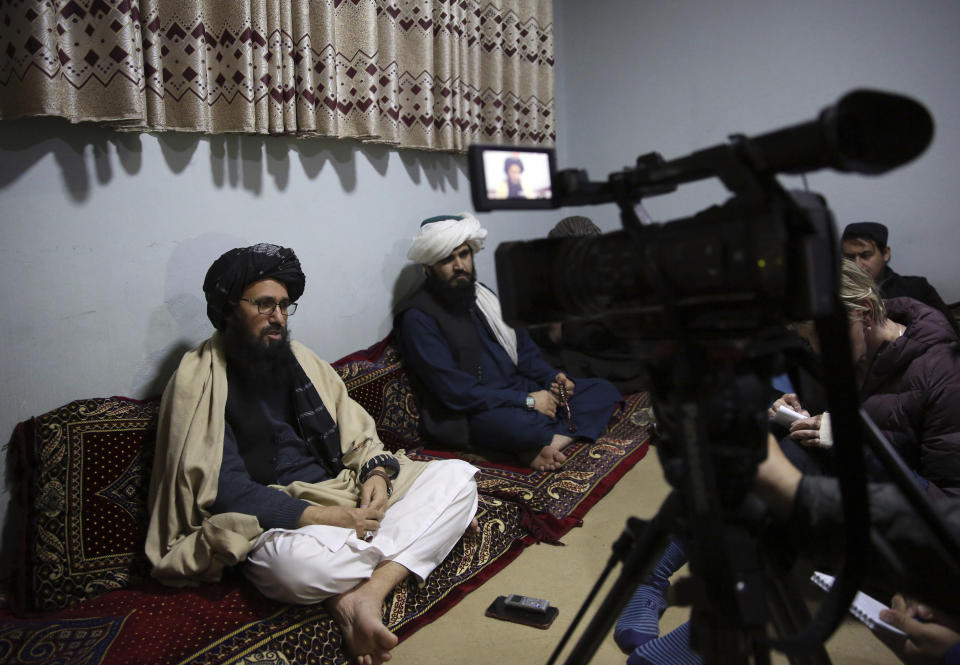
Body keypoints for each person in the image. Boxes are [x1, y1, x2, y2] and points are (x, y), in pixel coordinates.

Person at [146, 243, 479, 665]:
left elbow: (358, 436)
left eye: (285, 306)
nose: (279, 318)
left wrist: (375, 475)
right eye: (265, 305)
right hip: (279, 519)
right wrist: (330, 518)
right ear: (229, 308)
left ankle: (365, 595)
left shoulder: (300, 359)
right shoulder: (200, 381)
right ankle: (419, 542)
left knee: (459, 479)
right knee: (299, 571)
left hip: (344, 492)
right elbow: (223, 489)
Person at [394, 212, 621, 471]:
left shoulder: (481, 295)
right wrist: (528, 401)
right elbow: (456, 393)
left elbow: (525, 352)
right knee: (517, 426)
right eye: (447, 259)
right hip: (473, 412)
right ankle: (533, 441)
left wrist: (553, 379)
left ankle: (548, 444)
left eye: (464, 255)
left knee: (601, 390)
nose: (460, 266)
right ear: (428, 267)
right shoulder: (417, 318)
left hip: (520, 390)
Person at [770, 259, 960, 499]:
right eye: (808, 340)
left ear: (867, 312)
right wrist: (797, 412)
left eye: (826, 336)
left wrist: (853, 442)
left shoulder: (942, 374)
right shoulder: (848, 352)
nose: (819, 350)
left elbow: (949, 505)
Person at [841, 221, 959, 336]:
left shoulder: (916, 288)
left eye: (865, 255)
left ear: (885, 253)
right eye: (850, 258)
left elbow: (949, 332)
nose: (857, 264)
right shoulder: (837, 293)